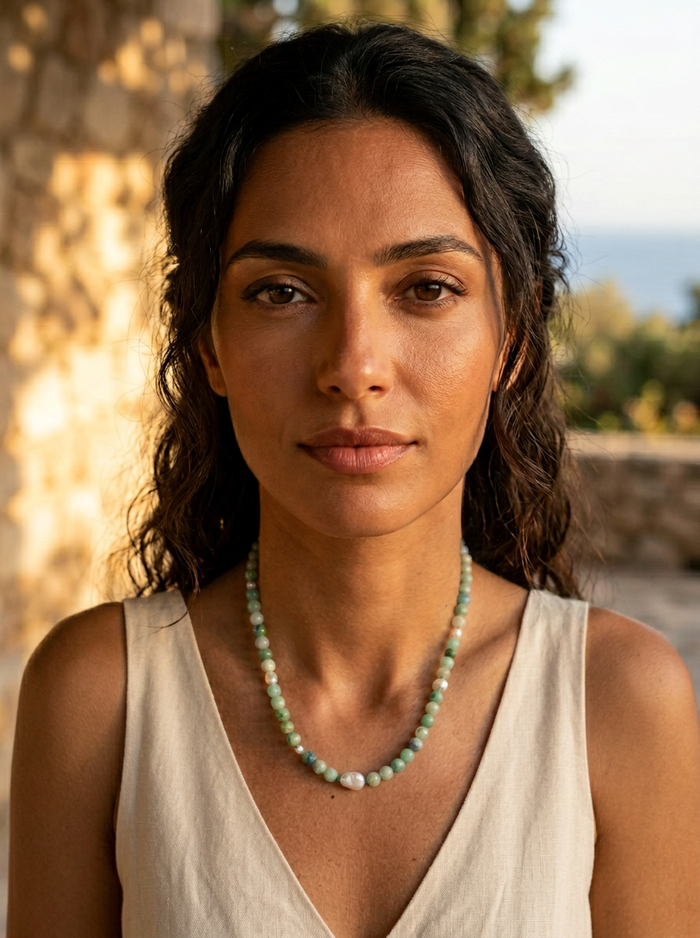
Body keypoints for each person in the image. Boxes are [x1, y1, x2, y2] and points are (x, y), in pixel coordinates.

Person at [7, 21, 700, 938]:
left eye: (425, 288)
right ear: (209, 344)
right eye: (281, 293)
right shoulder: (102, 697)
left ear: (514, 341)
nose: (352, 365)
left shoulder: (617, 702)